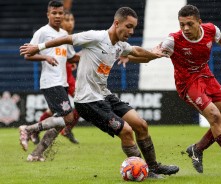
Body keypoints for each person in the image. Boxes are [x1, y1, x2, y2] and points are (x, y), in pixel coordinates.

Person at [20, 6, 179, 178]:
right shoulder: (95, 37)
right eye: (129, 26)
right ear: (117, 23)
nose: (132, 31)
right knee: (126, 131)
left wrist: (155, 54)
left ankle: (154, 167)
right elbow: (67, 38)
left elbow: (137, 51)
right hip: (87, 101)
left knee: (141, 125)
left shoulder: (119, 45)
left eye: (134, 27)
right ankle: (143, 172)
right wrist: (39, 47)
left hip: (104, 94)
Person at [121, 4, 221, 177]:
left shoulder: (210, 30)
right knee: (216, 117)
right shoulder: (173, 40)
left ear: (199, 22)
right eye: (182, 25)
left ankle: (197, 148)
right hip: (188, 84)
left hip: (207, 77)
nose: (185, 28)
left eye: (189, 24)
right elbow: (150, 55)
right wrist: (129, 56)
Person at [19, 0, 80, 161]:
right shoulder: (42, 32)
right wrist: (45, 56)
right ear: (48, 14)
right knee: (68, 118)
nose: (58, 16)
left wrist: (93, 55)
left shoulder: (65, 35)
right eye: (54, 13)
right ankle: (28, 128)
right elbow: (27, 54)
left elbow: (72, 57)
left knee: (61, 122)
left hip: (63, 82)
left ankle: (36, 154)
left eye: (60, 13)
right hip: (51, 82)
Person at [30, 11, 80, 145]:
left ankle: (39, 132)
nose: (70, 22)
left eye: (72, 19)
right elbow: (32, 53)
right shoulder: (48, 34)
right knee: (80, 102)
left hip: (65, 77)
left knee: (57, 111)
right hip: (58, 79)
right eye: (67, 19)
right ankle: (63, 129)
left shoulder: (67, 37)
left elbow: (69, 57)